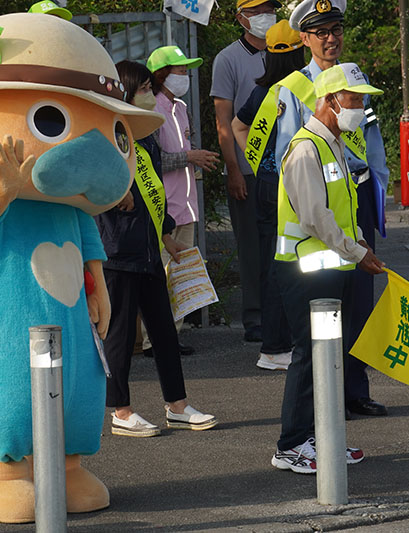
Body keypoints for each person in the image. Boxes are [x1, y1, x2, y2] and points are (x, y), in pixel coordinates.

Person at [274, 0, 389, 418]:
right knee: (324, 312)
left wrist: (379, 183)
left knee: (359, 303)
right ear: (305, 38)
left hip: (353, 197)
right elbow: (284, 153)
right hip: (316, 207)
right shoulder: (293, 87)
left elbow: (373, 142)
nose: (330, 38)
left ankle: (354, 389)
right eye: (320, 31)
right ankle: (326, 397)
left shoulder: (356, 80)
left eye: (336, 28)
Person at [96, 59, 217, 437]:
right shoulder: (106, 134)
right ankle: (121, 411)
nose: (150, 94)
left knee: (164, 330)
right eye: (145, 88)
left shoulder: (143, 134)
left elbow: (153, 194)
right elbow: (96, 186)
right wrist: (115, 195)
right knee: (118, 334)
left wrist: (165, 233)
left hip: (147, 248)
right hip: (118, 250)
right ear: (127, 92)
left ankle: (177, 405)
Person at [232, 19, 306, 371]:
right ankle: (278, 346)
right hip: (290, 186)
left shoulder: (264, 91)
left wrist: (257, 159)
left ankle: (274, 343)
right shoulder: (299, 89)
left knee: (271, 263)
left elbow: (237, 124)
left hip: (266, 184)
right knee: (291, 265)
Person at [142, 45, 220, 357]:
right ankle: (153, 341)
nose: (184, 75)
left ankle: (171, 336)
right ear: (162, 75)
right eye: (179, 70)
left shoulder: (181, 107)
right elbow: (153, 159)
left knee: (180, 274)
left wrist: (191, 157)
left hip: (185, 205)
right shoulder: (152, 109)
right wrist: (191, 156)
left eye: (185, 69)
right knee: (161, 275)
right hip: (164, 207)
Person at [211, 0, 281, 343]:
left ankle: (284, 311)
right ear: (241, 18)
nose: (266, 16)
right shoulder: (227, 59)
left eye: (270, 9)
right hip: (248, 169)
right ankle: (256, 318)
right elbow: (223, 121)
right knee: (252, 248)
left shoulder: (286, 50)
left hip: (286, 167)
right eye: (258, 11)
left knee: (285, 244)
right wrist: (233, 169)